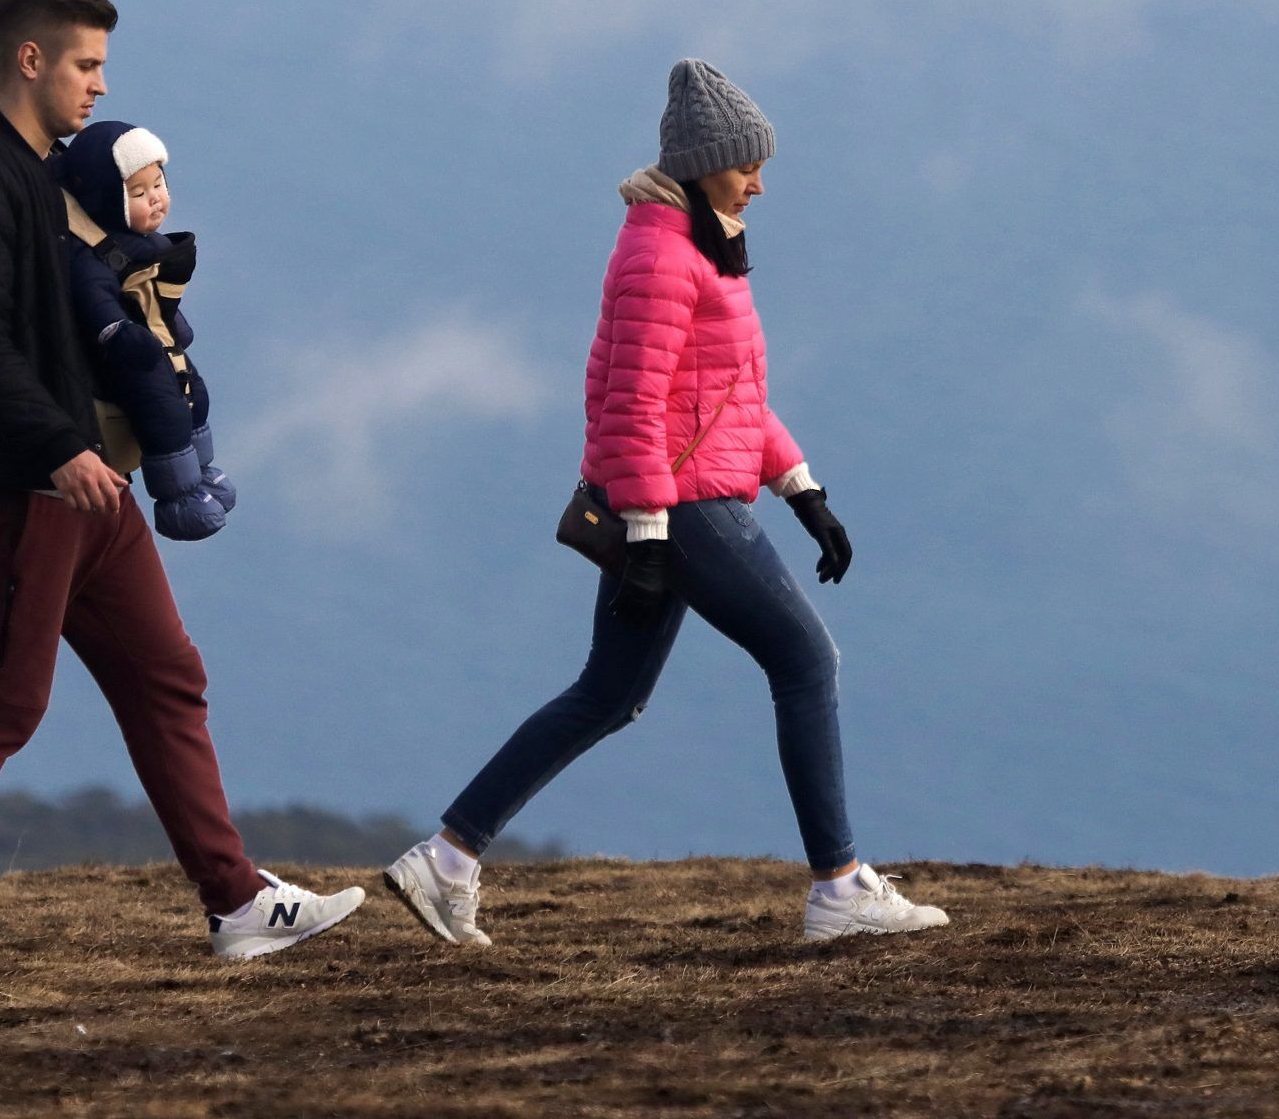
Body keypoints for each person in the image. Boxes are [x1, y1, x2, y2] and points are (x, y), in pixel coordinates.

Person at [383, 58, 948, 946]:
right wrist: (649, 535)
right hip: (684, 507)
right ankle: (840, 887)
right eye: (745, 164)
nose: (759, 183)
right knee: (807, 663)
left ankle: (447, 859)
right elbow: (633, 405)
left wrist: (803, 490)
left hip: (681, 499)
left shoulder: (700, 242)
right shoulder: (661, 254)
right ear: (699, 161)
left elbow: (727, 397)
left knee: (608, 694)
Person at [0, 0, 359, 964]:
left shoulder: (49, 173)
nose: (99, 86)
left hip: (89, 479)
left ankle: (235, 904)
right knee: (3, 695)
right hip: (29, 483)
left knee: (166, 674)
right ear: (31, 59)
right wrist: (57, 449)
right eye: (87, 65)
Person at [51, 120, 238, 541]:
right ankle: (179, 497)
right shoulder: (90, 255)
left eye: (158, 184)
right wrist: (116, 332)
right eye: (137, 193)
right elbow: (95, 297)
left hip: (156, 340)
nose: (155, 200)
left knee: (195, 395)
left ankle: (202, 470)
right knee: (164, 413)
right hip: (133, 356)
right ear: (106, 199)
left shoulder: (127, 241)